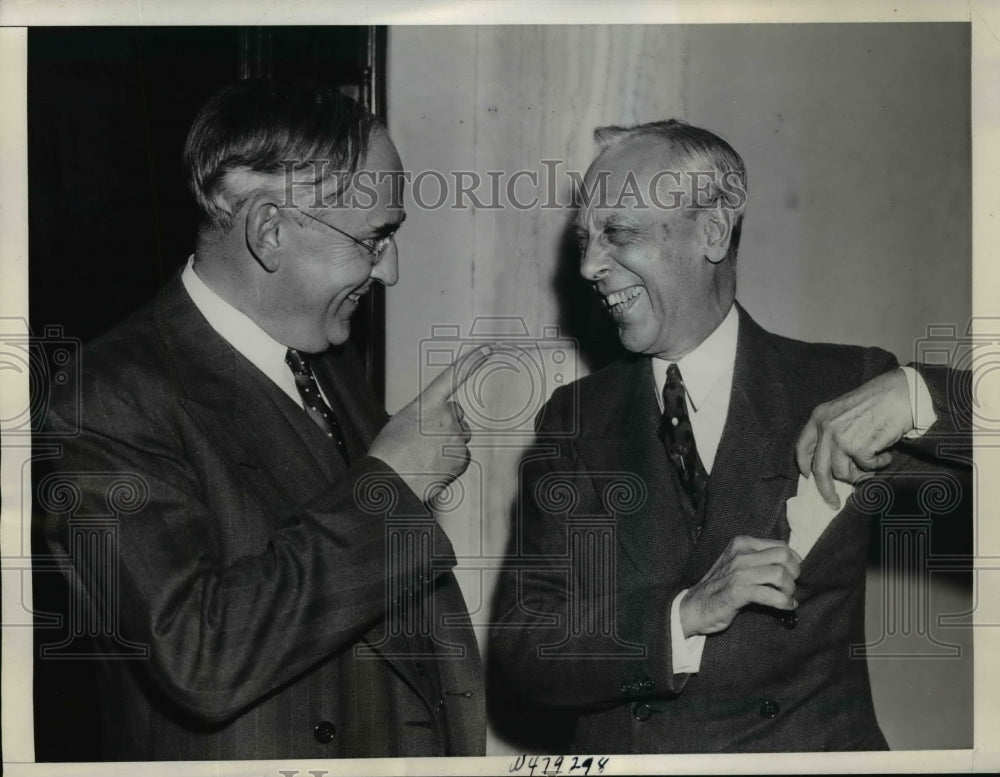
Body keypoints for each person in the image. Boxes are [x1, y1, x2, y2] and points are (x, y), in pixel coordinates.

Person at [35, 80, 489, 760]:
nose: (389, 270)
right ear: (270, 230)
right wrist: (390, 483)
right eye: (376, 238)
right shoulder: (104, 397)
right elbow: (199, 657)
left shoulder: (326, 362)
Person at [489, 119, 971, 752]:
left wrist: (919, 393)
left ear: (711, 232)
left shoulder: (842, 383)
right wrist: (681, 617)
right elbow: (524, 647)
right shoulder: (574, 418)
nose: (588, 265)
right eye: (585, 239)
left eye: (619, 233)